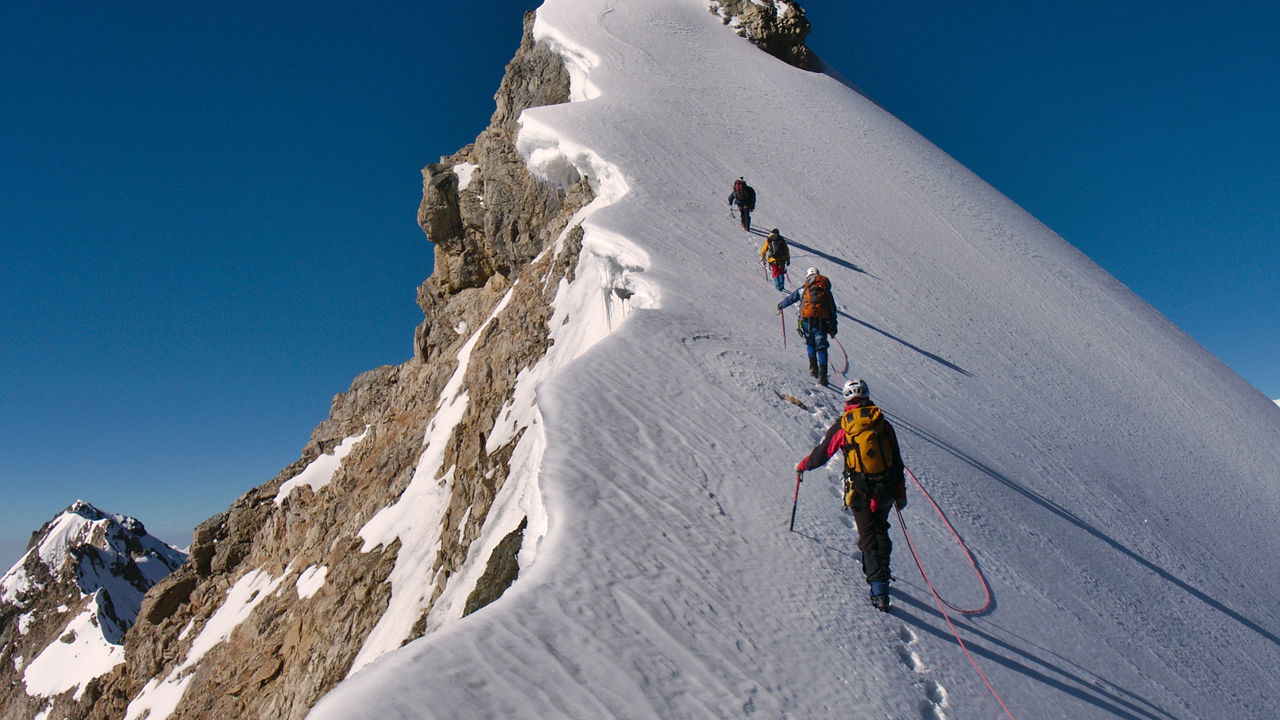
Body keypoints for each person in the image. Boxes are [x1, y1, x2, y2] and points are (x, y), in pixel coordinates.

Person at [794, 378, 906, 611]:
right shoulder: (882, 423)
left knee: (868, 536)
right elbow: (896, 460)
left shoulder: (844, 425)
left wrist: (803, 465)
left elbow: (823, 453)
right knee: (880, 529)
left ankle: (879, 590)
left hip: (861, 491)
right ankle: (879, 572)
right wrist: (900, 492)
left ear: (847, 399)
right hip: (886, 488)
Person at [777, 267, 837, 385]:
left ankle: (813, 368)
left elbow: (791, 298)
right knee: (822, 348)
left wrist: (781, 305)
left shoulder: (805, 288)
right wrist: (833, 328)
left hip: (806, 322)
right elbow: (832, 311)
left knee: (810, 343)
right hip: (821, 323)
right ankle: (823, 375)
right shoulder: (826, 291)